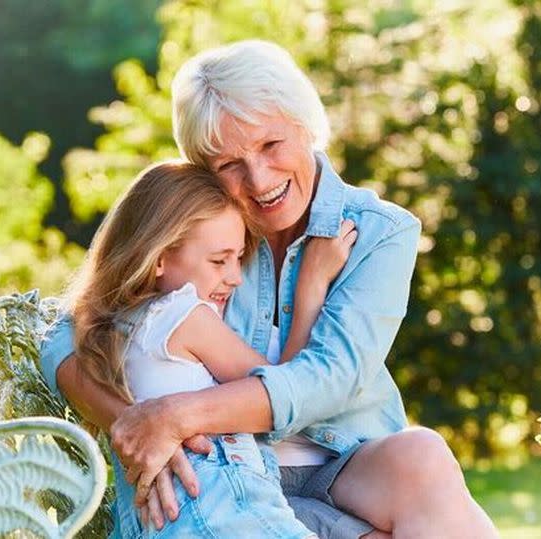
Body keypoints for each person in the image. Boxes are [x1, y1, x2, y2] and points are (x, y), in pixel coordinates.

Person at [42, 40, 499, 538]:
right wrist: (136, 424)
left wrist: (179, 414)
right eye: (228, 165)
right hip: (228, 478)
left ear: (304, 124)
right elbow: (68, 335)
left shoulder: (378, 232)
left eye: (270, 145)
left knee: (424, 455)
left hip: (344, 466)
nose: (258, 179)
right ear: (203, 169)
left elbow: (330, 378)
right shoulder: (197, 237)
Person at [63, 160, 357, 537]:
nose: (234, 277)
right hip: (227, 515)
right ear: (159, 259)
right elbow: (282, 392)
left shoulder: (109, 331)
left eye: (239, 258)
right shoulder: (184, 315)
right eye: (219, 260)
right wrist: (312, 284)